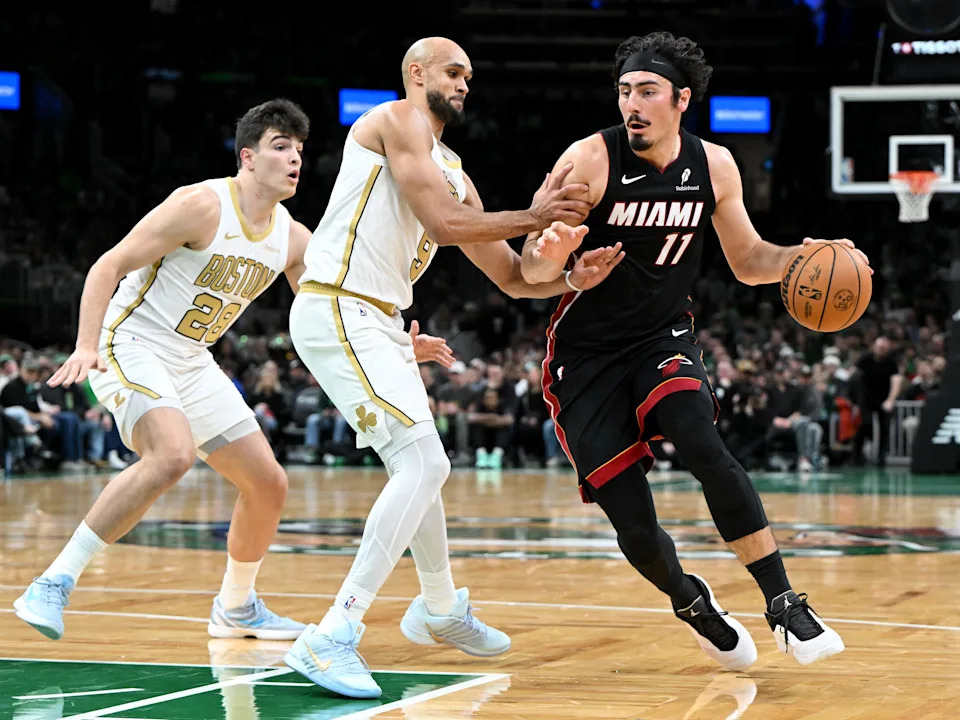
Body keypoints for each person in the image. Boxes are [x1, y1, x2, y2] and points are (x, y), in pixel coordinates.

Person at [285, 36, 623, 699]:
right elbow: (442, 226)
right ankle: (332, 635)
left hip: (378, 320)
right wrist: (537, 213)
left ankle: (439, 607)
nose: (464, 83)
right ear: (416, 73)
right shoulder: (394, 121)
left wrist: (570, 275)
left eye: (469, 75)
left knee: (422, 466)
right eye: (452, 70)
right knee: (425, 463)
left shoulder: (456, 170)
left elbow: (517, 278)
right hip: (336, 304)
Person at [524, 31, 872, 669]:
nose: (633, 102)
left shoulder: (714, 166)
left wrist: (808, 257)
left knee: (700, 438)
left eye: (647, 91)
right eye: (625, 90)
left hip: (662, 337)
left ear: (681, 99)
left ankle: (783, 602)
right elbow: (531, 271)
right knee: (632, 524)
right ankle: (690, 600)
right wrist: (551, 260)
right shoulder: (587, 162)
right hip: (586, 355)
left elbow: (748, 261)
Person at [14, 99, 314, 643]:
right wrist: (86, 345)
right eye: (280, 147)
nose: (294, 158)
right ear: (247, 158)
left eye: (299, 149)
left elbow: (329, 312)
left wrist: (394, 342)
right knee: (172, 455)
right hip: (130, 340)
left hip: (193, 361)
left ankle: (237, 607)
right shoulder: (200, 204)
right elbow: (108, 264)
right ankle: (53, 581)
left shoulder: (292, 237)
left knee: (268, 483)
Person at [851, 336, 902, 466]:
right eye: (879, 347)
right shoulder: (865, 359)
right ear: (874, 347)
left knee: (884, 428)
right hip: (867, 399)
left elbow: (896, 382)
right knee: (865, 424)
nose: (881, 349)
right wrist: (856, 401)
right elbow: (854, 377)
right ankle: (857, 454)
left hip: (884, 399)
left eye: (884, 347)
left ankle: (881, 457)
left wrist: (890, 400)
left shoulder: (891, 362)